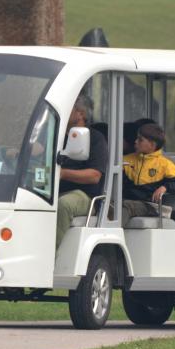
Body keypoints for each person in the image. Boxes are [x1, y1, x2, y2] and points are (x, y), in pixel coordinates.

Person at [56, 95, 109, 248]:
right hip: (52, 190)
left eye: (69, 107)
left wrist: (63, 173)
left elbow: (94, 176)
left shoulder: (96, 139)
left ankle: (49, 256)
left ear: (81, 114)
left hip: (84, 195)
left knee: (64, 204)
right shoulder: (56, 136)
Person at [121, 123, 175, 227]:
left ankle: (110, 237)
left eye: (140, 140)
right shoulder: (126, 159)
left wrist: (165, 187)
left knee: (124, 207)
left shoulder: (164, 164)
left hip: (150, 206)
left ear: (152, 145)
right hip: (125, 201)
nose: (135, 142)